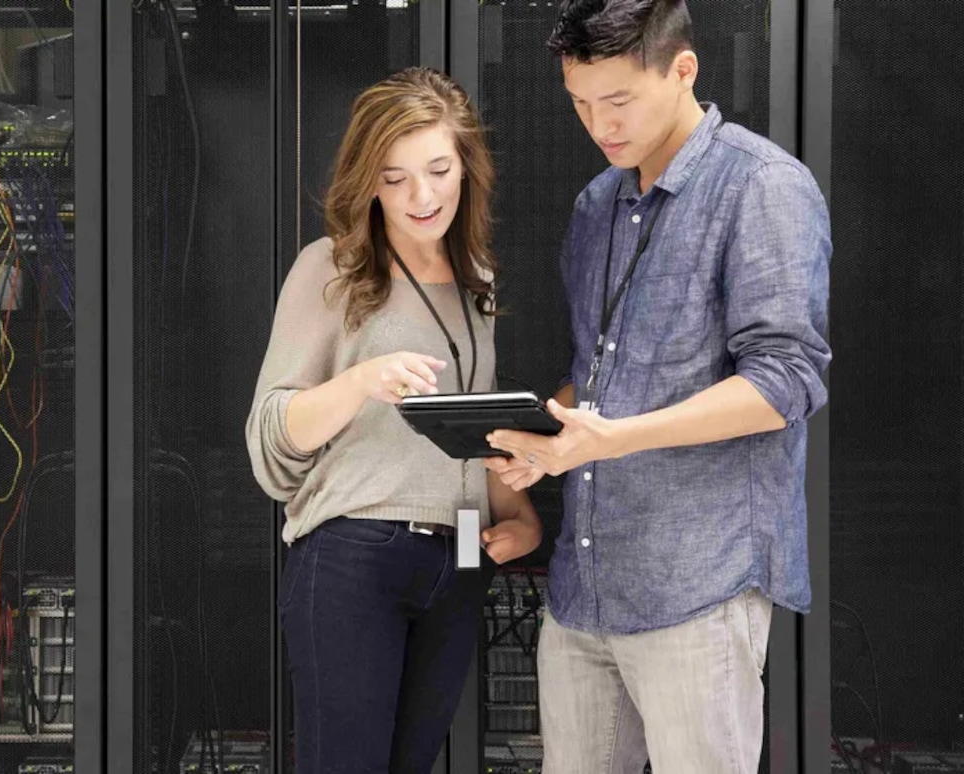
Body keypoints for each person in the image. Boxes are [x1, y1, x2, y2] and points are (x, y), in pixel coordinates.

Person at [481, 1, 832, 772]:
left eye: (618, 100)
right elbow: (597, 375)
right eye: (580, 103)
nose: (599, 125)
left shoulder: (762, 186)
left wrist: (619, 436)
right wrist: (546, 444)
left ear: (683, 70)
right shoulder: (597, 205)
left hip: (698, 585)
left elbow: (784, 380)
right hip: (583, 591)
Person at [245, 67, 541, 773]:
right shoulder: (332, 269)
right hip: (355, 555)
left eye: (439, 169)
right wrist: (359, 382)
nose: (422, 196)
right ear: (368, 181)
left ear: (466, 167)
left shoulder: (478, 281)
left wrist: (522, 515)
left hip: (461, 561)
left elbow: (474, 434)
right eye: (395, 177)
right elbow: (269, 435)